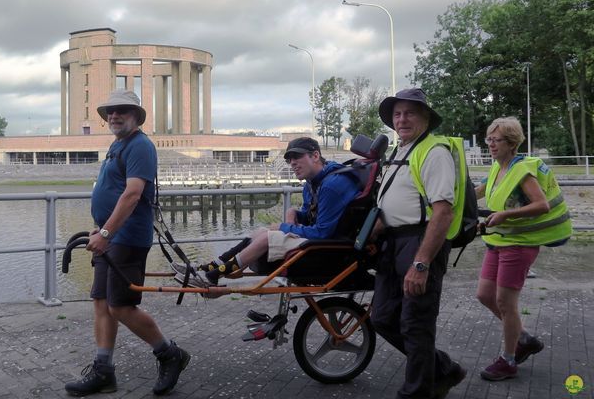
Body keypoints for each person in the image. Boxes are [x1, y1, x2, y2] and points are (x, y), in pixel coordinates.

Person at [65, 89, 189, 396]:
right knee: (101, 303)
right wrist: (101, 231)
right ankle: (103, 370)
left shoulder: (140, 146)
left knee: (121, 306)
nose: (114, 115)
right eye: (110, 111)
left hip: (127, 238)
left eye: (122, 110)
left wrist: (106, 234)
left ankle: (169, 353)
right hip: (108, 237)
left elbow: (132, 194)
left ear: (136, 116)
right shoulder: (117, 145)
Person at [369, 88, 466, 399]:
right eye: (397, 114)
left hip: (420, 243)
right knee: (382, 317)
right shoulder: (402, 151)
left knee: (416, 324)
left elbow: (443, 212)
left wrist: (421, 264)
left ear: (426, 118)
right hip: (393, 243)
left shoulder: (434, 151)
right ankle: (443, 369)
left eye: (410, 112)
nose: (402, 119)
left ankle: (417, 392)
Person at [172, 137, 361, 291]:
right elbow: (310, 215)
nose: (292, 163)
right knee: (259, 232)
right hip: (323, 241)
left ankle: (211, 277)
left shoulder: (331, 185)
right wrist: (293, 212)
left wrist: (284, 227)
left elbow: (323, 233)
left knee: (265, 238)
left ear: (315, 155)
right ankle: (208, 268)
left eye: (297, 157)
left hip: (332, 249)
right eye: (289, 159)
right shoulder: (313, 183)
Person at [475, 117, 572, 381]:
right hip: (498, 242)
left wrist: (506, 215)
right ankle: (524, 338)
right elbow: (478, 192)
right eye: (489, 140)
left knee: (506, 303)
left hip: (519, 246)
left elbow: (542, 205)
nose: (491, 145)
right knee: (485, 295)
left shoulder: (522, 171)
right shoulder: (498, 167)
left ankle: (508, 361)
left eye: (496, 140)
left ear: (512, 143)